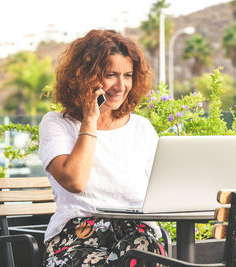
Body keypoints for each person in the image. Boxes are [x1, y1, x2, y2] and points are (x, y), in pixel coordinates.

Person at [38, 29, 165, 266]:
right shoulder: (57, 123)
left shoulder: (142, 128)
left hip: (137, 234)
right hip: (77, 236)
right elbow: (75, 181)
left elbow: (165, 191)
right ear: (85, 76)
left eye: (127, 75)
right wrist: (89, 119)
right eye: (110, 75)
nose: (121, 85)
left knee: (145, 249)